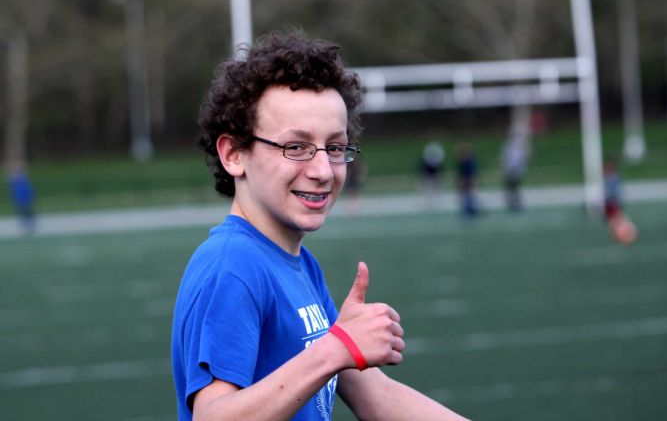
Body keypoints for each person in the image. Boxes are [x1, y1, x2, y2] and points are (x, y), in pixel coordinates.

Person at [171, 32, 468, 421]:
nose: (323, 170)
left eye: (335, 147)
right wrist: (336, 348)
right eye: (296, 147)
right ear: (233, 154)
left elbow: (376, 396)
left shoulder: (299, 264)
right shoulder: (232, 267)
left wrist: (340, 348)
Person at [603, 157, 637, 245]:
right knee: (613, 184)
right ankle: (610, 167)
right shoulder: (623, 228)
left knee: (611, 184)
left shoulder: (615, 227)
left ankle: (608, 168)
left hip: (611, 205)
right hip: (615, 205)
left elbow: (613, 223)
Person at [500, 137, 529, 212]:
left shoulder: (519, 149)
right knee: (509, 188)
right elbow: (504, 159)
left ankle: (517, 203)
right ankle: (510, 203)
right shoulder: (508, 148)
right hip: (510, 171)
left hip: (516, 172)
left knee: (515, 188)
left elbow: (522, 160)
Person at [8, 163, 36, 234]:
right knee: (21, 212)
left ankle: (30, 225)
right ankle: (24, 225)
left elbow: (29, 189)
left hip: (26, 197)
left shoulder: (24, 178)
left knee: (28, 211)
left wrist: (31, 197)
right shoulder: (14, 180)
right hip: (19, 198)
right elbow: (13, 191)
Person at [455, 142, 479, 219]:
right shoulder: (465, 161)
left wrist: (463, 182)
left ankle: (470, 213)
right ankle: (469, 212)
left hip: (467, 182)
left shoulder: (468, 161)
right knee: (467, 198)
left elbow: (469, 174)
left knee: (468, 197)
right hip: (466, 182)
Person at [419, 141, 445, 209]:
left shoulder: (436, 161)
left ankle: (436, 201)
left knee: (435, 188)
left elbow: (438, 170)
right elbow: (425, 170)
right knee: (428, 189)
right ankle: (428, 202)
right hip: (429, 175)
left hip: (434, 175)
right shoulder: (427, 161)